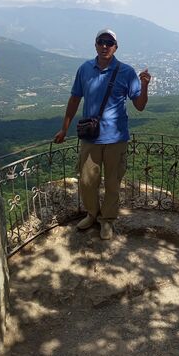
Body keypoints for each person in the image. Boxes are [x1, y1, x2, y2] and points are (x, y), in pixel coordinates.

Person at [54, 28, 151, 240]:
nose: (105, 46)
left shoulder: (126, 72)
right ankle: (92, 214)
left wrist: (144, 86)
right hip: (91, 137)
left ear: (116, 47)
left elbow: (140, 105)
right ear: (96, 44)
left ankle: (107, 220)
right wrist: (64, 128)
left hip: (116, 138)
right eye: (101, 42)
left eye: (109, 43)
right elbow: (74, 99)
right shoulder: (84, 69)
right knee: (87, 181)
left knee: (112, 183)